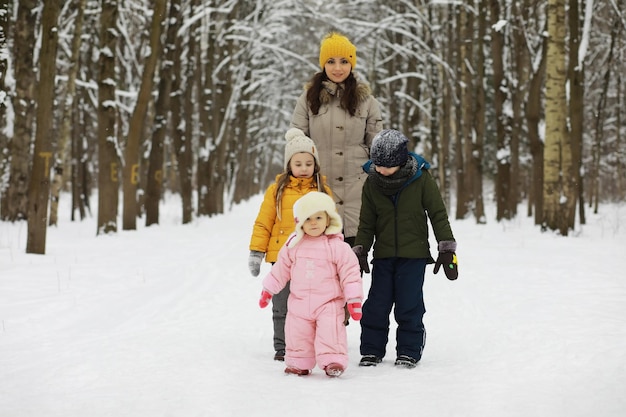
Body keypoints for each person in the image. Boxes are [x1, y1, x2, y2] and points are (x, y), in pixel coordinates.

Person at [352, 129, 458, 369]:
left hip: (414, 256)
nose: (380, 170)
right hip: (384, 255)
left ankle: (409, 351)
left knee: (409, 304)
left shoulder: (421, 179)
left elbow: (438, 214)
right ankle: (371, 350)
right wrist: (360, 251)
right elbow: (366, 222)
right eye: (377, 165)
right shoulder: (372, 183)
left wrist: (446, 248)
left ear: (400, 162)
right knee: (376, 305)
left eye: (386, 166)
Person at [290, 31, 383, 246]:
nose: (338, 68)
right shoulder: (307, 100)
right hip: (319, 198)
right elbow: (297, 145)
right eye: (331, 61)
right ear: (323, 64)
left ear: (352, 64)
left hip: (357, 197)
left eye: (344, 61)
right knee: (320, 273)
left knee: (350, 273)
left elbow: (376, 149)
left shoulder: (367, 102)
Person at [258, 192, 364, 377]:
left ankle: (333, 361)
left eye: (318, 217)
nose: (313, 222)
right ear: (300, 222)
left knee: (331, 331)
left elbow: (350, 273)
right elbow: (281, 269)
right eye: (308, 219)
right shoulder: (293, 245)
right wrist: (268, 290)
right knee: (298, 334)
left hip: (328, 302)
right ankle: (299, 363)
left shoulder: (337, 246)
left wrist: (353, 299)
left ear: (328, 219)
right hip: (299, 301)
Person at [248, 128, 332, 362]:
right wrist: (256, 251)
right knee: (282, 305)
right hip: (282, 258)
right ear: (289, 165)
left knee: (311, 304)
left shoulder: (323, 191)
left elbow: (333, 224)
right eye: (298, 163)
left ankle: (309, 345)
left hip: (313, 259)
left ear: (315, 165)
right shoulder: (276, 191)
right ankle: (283, 347)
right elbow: (264, 222)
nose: (304, 168)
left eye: (308, 163)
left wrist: (335, 253)